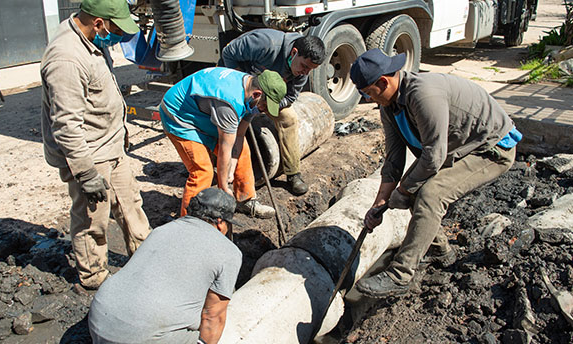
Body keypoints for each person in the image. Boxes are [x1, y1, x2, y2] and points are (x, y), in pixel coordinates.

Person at [351, 49, 521, 298]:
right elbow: (394, 158)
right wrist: (380, 202)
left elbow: (433, 158)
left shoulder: (423, 95)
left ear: (383, 82)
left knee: (430, 194)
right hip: (455, 148)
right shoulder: (390, 105)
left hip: (491, 148)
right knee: (415, 187)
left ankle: (400, 275)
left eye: (367, 93)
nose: (366, 99)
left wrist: (404, 190)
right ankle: (439, 249)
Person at [41, 0, 151, 291]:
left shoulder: (90, 40)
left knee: (131, 204)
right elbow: (65, 125)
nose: (118, 36)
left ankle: (146, 258)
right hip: (89, 153)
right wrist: (86, 173)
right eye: (116, 30)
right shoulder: (66, 59)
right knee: (93, 217)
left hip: (111, 145)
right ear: (99, 23)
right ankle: (94, 277)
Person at [88, 187, 242, 344]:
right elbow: (212, 317)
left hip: (100, 321)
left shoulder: (162, 230)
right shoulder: (228, 252)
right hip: (145, 338)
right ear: (220, 222)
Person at [160, 67, 286, 219]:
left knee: (243, 150)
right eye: (264, 106)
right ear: (257, 94)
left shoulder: (251, 89)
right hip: (180, 117)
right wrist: (224, 186)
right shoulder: (230, 101)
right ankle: (189, 222)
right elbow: (225, 150)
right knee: (202, 171)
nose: (263, 111)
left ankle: (244, 200)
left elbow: (239, 135)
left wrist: (231, 170)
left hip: (204, 113)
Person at [221, 29, 325, 195]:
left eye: (310, 69)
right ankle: (218, 164)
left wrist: (266, 105)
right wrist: (242, 85)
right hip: (240, 86)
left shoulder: (302, 71)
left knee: (289, 118)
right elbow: (229, 52)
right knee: (226, 123)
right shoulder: (265, 44)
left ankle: (293, 173)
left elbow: (290, 98)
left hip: (267, 96)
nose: (305, 72)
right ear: (294, 52)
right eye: (304, 66)